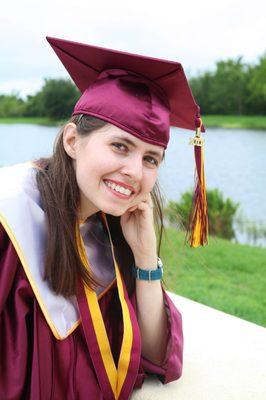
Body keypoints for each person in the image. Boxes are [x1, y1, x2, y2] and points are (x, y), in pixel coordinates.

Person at [0, 36, 208, 400]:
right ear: (72, 141)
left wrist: (146, 258)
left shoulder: (110, 227)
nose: (133, 171)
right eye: (120, 146)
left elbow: (157, 354)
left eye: (150, 159)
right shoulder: (10, 217)